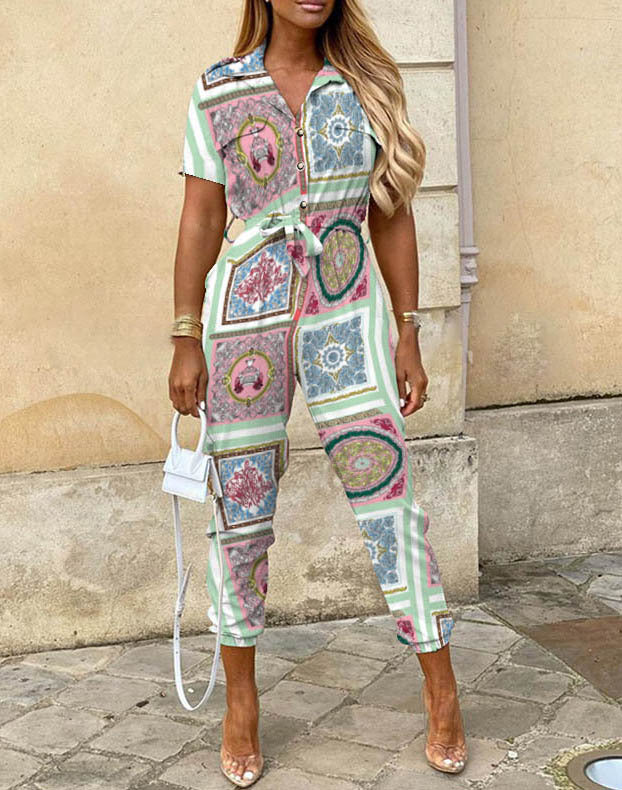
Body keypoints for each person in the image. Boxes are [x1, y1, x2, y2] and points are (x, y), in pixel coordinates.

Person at [169, 0, 467, 785]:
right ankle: (241, 703)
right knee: (240, 508)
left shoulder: (364, 85)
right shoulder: (218, 90)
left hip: (345, 311)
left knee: (389, 496)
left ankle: (442, 687)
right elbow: (200, 218)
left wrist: (408, 329)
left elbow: (390, 216)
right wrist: (184, 335)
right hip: (244, 319)